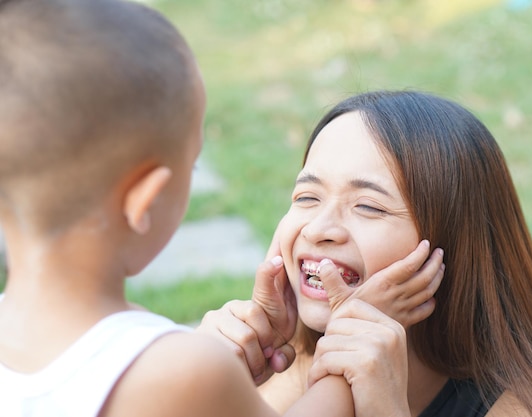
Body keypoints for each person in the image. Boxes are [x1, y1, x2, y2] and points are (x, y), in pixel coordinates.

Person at [0, 1, 446, 416]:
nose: (317, 227)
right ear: (147, 200)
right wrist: (359, 339)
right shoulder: (180, 367)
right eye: (191, 166)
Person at [202, 90, 532, 417]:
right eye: (307, 196)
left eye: (367, 206)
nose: (317, 228)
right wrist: (212, 383)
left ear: (453, 243)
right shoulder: (289, 364)